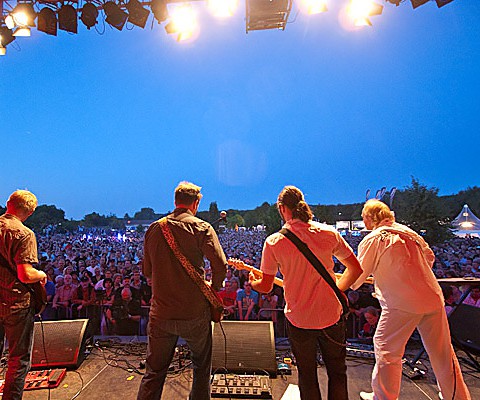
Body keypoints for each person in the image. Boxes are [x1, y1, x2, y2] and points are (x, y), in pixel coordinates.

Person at [249, 186, 363, 400]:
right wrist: (337, 290)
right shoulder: (328, 233)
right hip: (331, 315)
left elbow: (265, 287)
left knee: (307, 375)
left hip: (299, 318)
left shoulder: (274, 242)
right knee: (338, 373)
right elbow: (356, 269)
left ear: (282, 209)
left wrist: (254, 282)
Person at [353, 199, 471, 400]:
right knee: (443, 353)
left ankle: (384, 397)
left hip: (401, 303)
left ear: (369, 217)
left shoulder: (374, 238)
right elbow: (429, 259)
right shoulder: (411, 233)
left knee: (387, 348)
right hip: (432, 298)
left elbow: (357, 276)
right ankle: (457, 397)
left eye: (364, 218)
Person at [137, 181, 227, 400]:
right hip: (194, 312)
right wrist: (213, 288)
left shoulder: (155, 228)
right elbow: (221, 265)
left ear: (175, 201)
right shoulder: (202, 227)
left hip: (162, 312)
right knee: (201, 367)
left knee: (154, 372)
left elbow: (147, 271)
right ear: (195, 203)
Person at [0, 190, 47, 399]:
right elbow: (25, 274)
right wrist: (42, 274)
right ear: (29, 212)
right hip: (15, 303)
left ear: (8, 203)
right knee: (17, 360)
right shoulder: (24, 234)